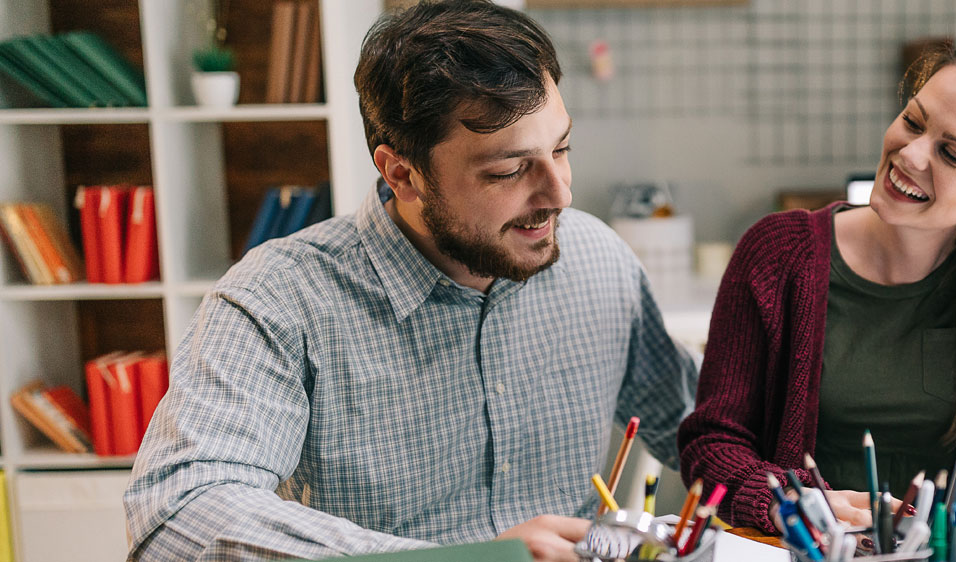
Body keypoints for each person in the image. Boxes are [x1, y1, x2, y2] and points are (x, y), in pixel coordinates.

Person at [123, 2, 696, 560]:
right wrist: (472, 560)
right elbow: (176, 515)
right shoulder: (280, 298)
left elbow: (701, 427)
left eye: (561, 149)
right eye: (508, 170)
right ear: (403, 174)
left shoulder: (597, 258)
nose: (560, 194)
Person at [677, 38, 956, 533]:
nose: (911, 153)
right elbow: (711, 444)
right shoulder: (778, 253)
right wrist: (787, 503)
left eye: (951, 154)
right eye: (914, 121)